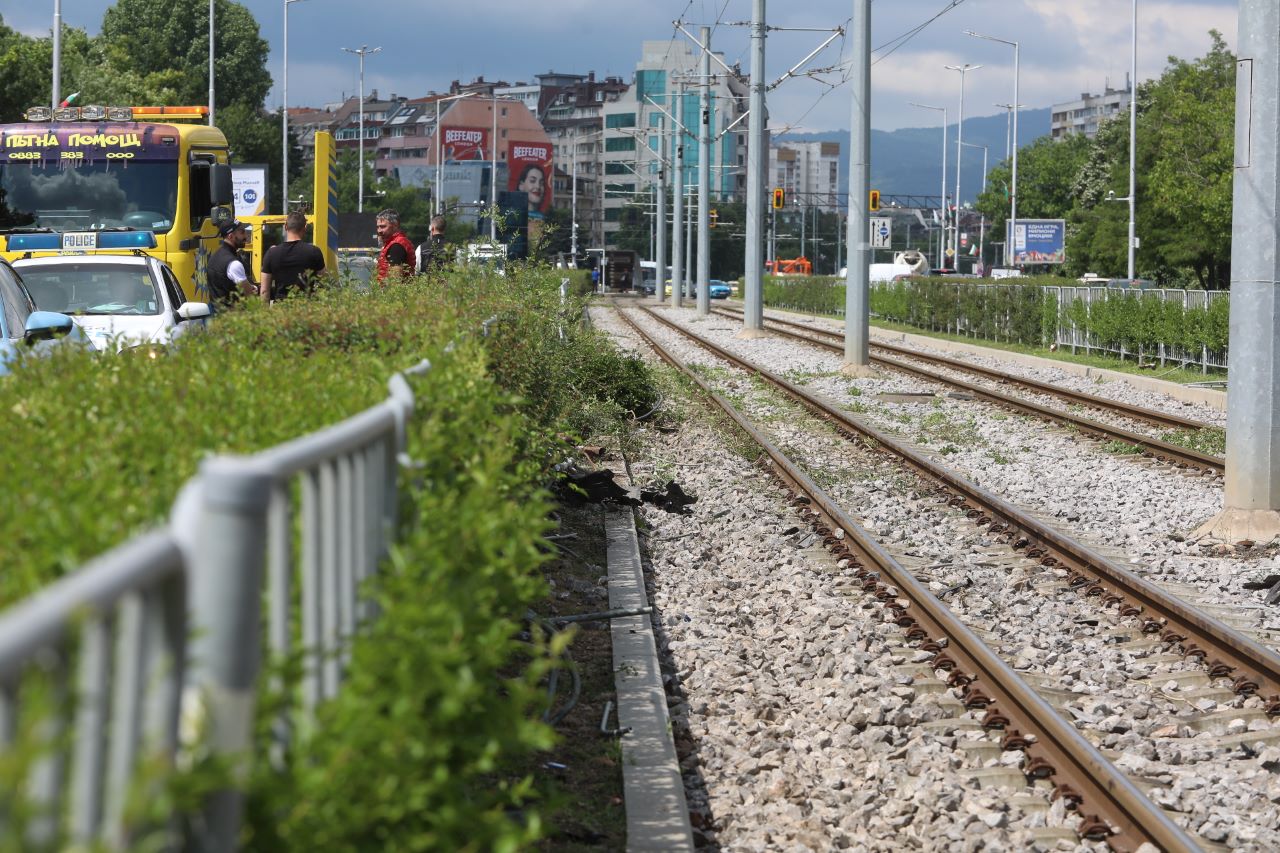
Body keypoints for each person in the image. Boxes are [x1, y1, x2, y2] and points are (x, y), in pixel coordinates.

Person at [261, 211, 326, 302]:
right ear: (305, 228)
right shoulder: (314, 252)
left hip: (281, 311)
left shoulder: (271, 253)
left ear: (285, 226)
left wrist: (265, 314)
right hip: (307, 310)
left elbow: (264, 291)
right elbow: (323, 283)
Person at [206, 220, 255, 308]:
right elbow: (249, 294)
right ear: (231, 236)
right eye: (242, 232)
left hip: (217, 316)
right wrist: (255, 289)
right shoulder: (233, 263)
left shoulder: (214, 256)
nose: (246, 236)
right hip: (233, 318)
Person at [375, 208, 416, 283]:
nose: (379, 231)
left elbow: (395, 281)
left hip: (394, 293)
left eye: (383, 226)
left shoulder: (396, 246)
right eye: (378, 227)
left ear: (395, 226)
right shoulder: (398, 242)